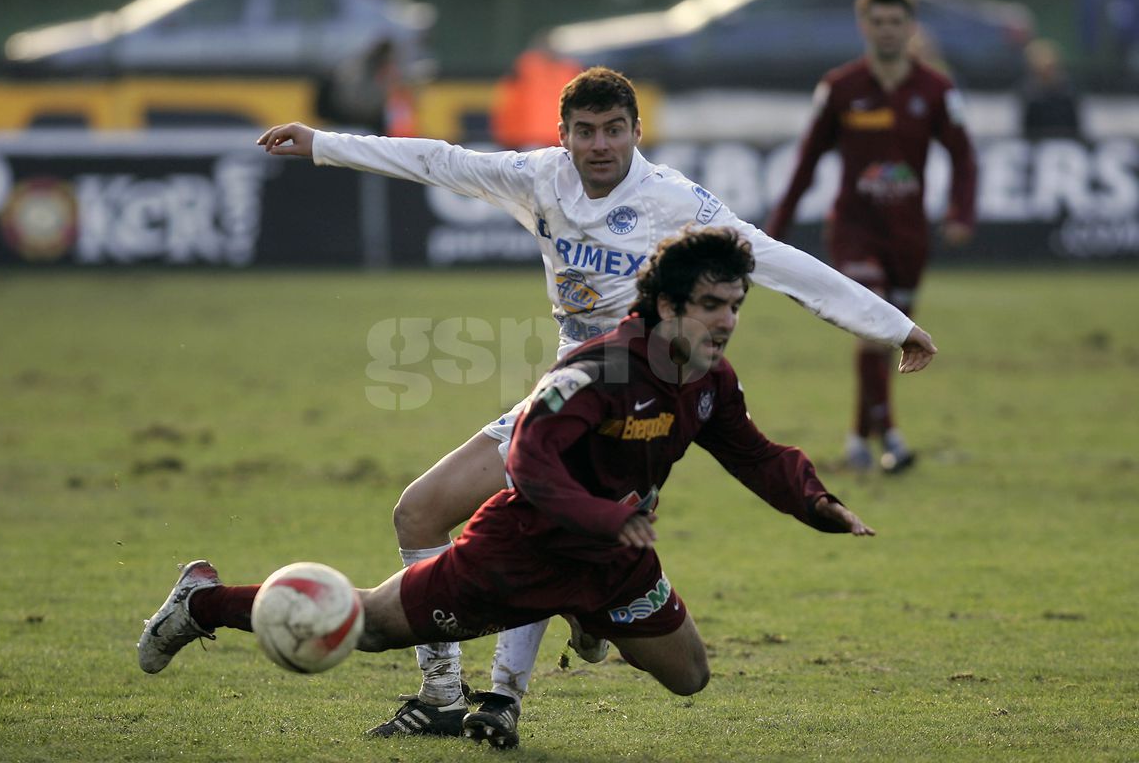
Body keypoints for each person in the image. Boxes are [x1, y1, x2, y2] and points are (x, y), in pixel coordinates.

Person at [249, 66, 936, 742]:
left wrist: (891, 325)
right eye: (586, 131)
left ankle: (501, 696)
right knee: (420, 511)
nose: (600, 144)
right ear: (563, 135)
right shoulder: (539, 178)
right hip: (567, 388)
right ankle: (448, 690)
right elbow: (439, 160)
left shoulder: (676, 203)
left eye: (614, 130)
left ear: (638, 131)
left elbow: (775, 258)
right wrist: (322, 144)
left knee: (538, 528)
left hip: (634, 404)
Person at [137, 226, 878, 750]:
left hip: (613, 562)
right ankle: (201, 600)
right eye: (713, 305)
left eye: (736, 306)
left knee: (691, 677)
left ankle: (590, 619)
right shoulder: (599, 369)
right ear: (667, 306)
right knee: (358, 627)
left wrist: (815, 503)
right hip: (517, 552)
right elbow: (527, 460)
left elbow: (753, 454)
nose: (728, 321)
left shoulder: (710, 381)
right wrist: (599, 514)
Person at [765, 0, 975, 474]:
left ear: (910, 27)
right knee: (873, 331)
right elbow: (806, 161)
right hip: (854, 230)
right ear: (864, 26)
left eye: (895, 22)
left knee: (897, 338)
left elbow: (965, 158)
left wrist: (962, 212)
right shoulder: (840, 88)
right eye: (877, 22)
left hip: (907, 234)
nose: (886, 30)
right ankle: (893, 440)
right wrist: (776, 227)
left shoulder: (937, 91)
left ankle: (859, 437)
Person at [1020, 38, 1082, 139]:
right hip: (1036, 142)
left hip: (1066, 140)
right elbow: (1026, 126)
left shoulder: (1068, 89)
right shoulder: (1028, 91)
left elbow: (1075, 123)